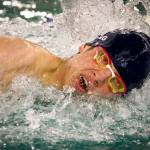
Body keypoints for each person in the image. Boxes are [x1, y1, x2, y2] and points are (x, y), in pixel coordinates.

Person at [0, 29, 150, 96]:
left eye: (115, 83)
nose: (99, 78)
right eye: (102, 59)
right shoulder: (18, 57)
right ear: (84, 47)